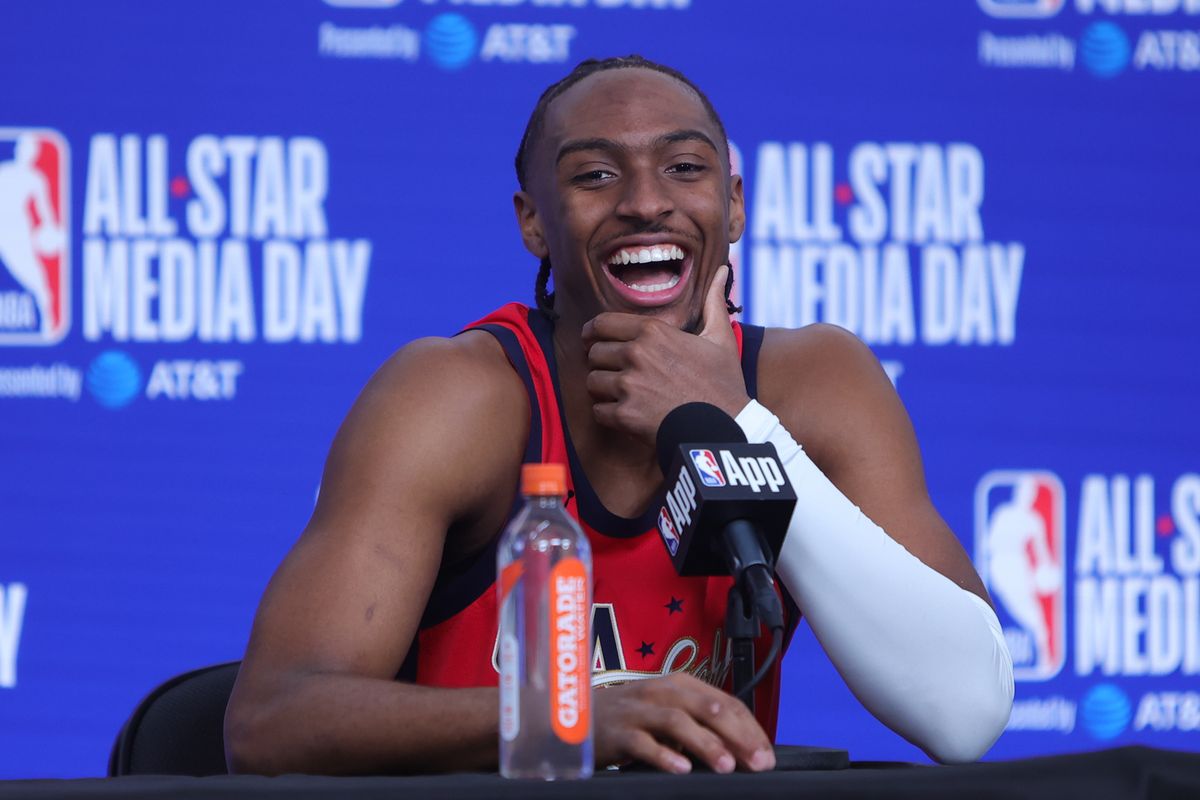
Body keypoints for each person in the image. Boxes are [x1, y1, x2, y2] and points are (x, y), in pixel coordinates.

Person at [225, 55, 1013, 777]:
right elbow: (272, 721)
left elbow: (965, 713)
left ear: (732, 206)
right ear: (533, 221)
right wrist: (568, 721)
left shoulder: (812, 386)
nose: (645, 203)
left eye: (684, 168)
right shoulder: (455, 397)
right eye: (596, 175)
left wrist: (734, 422)